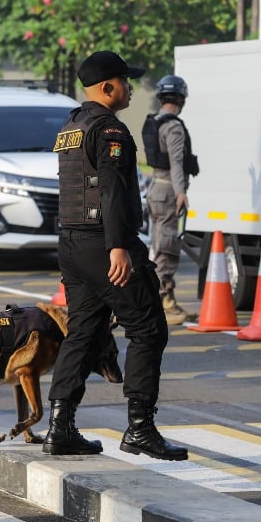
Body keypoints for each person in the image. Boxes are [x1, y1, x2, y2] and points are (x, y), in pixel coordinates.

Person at [45, 50, 188, 461]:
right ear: (108, 87)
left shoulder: (72, 124)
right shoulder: (110, 130)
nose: (130, 88)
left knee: (84, 332)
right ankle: (141, 428)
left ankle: (60, 426)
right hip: (103, 245)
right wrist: (118, 247)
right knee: (148, 328)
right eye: (125, 81)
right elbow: (109, 189)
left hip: (71, 244)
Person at [142, 74, 200, 324]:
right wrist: (181, 192)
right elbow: (177, 162)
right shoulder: (174, 126)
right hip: (168, 192)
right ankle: (165, 302)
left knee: (156, 246)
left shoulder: (154, 122)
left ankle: (157, 300)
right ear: (180, 97)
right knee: (167, 247)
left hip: (155, 187)